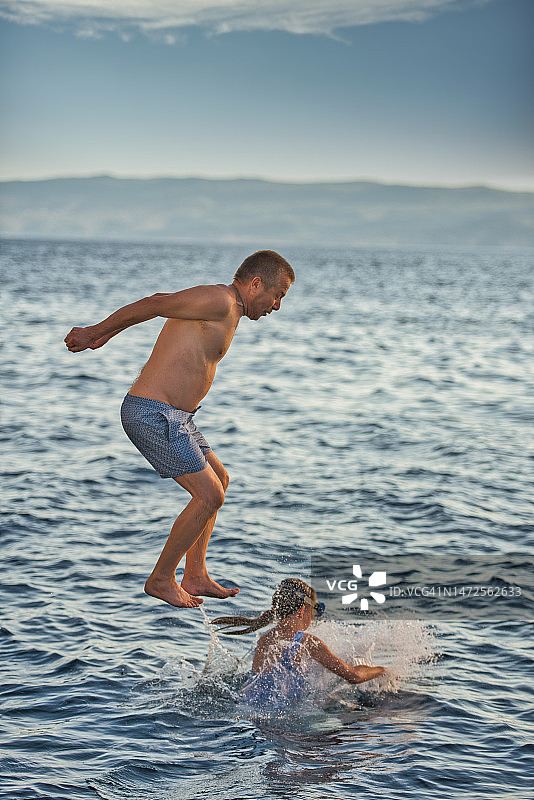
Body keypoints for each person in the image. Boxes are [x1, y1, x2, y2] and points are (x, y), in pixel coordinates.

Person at [64, 250, 295, 609]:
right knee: (209, 495)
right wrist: (98, 332)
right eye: (278, 295)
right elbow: (157, 303)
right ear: (255, 284)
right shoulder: (220, 299)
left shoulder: (229, 309)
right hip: (152, 413)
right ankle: (160, 578)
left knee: (221, 478)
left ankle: (195, 573)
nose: (277, 306)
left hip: (178, 417)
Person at [212, 578, 387, 708]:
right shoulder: (307, 642)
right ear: (303, 610)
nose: (314, 618)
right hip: (279, 723)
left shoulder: (266, 638)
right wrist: (383, 671)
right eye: (315, 610)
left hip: (249, 710)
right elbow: (353, 676)